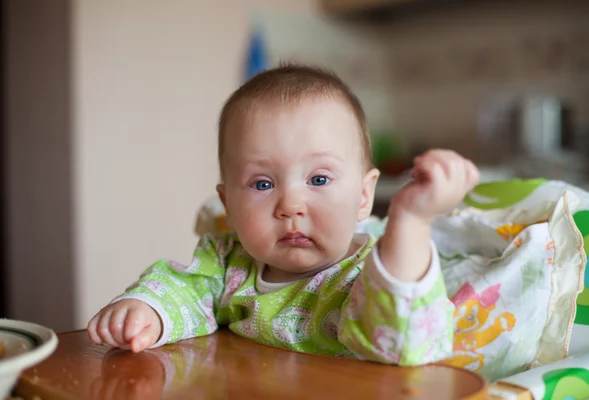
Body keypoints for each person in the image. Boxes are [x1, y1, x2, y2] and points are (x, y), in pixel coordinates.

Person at [87, 64, 479, 366]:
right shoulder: (227, 264)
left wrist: (409, 222)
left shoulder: (365, 278)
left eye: (319, 178)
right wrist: (146, 312)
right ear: (229, 205)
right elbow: (182, 290)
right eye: (262, 184)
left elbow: (405, 344)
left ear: (363, 196)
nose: (290, 205)